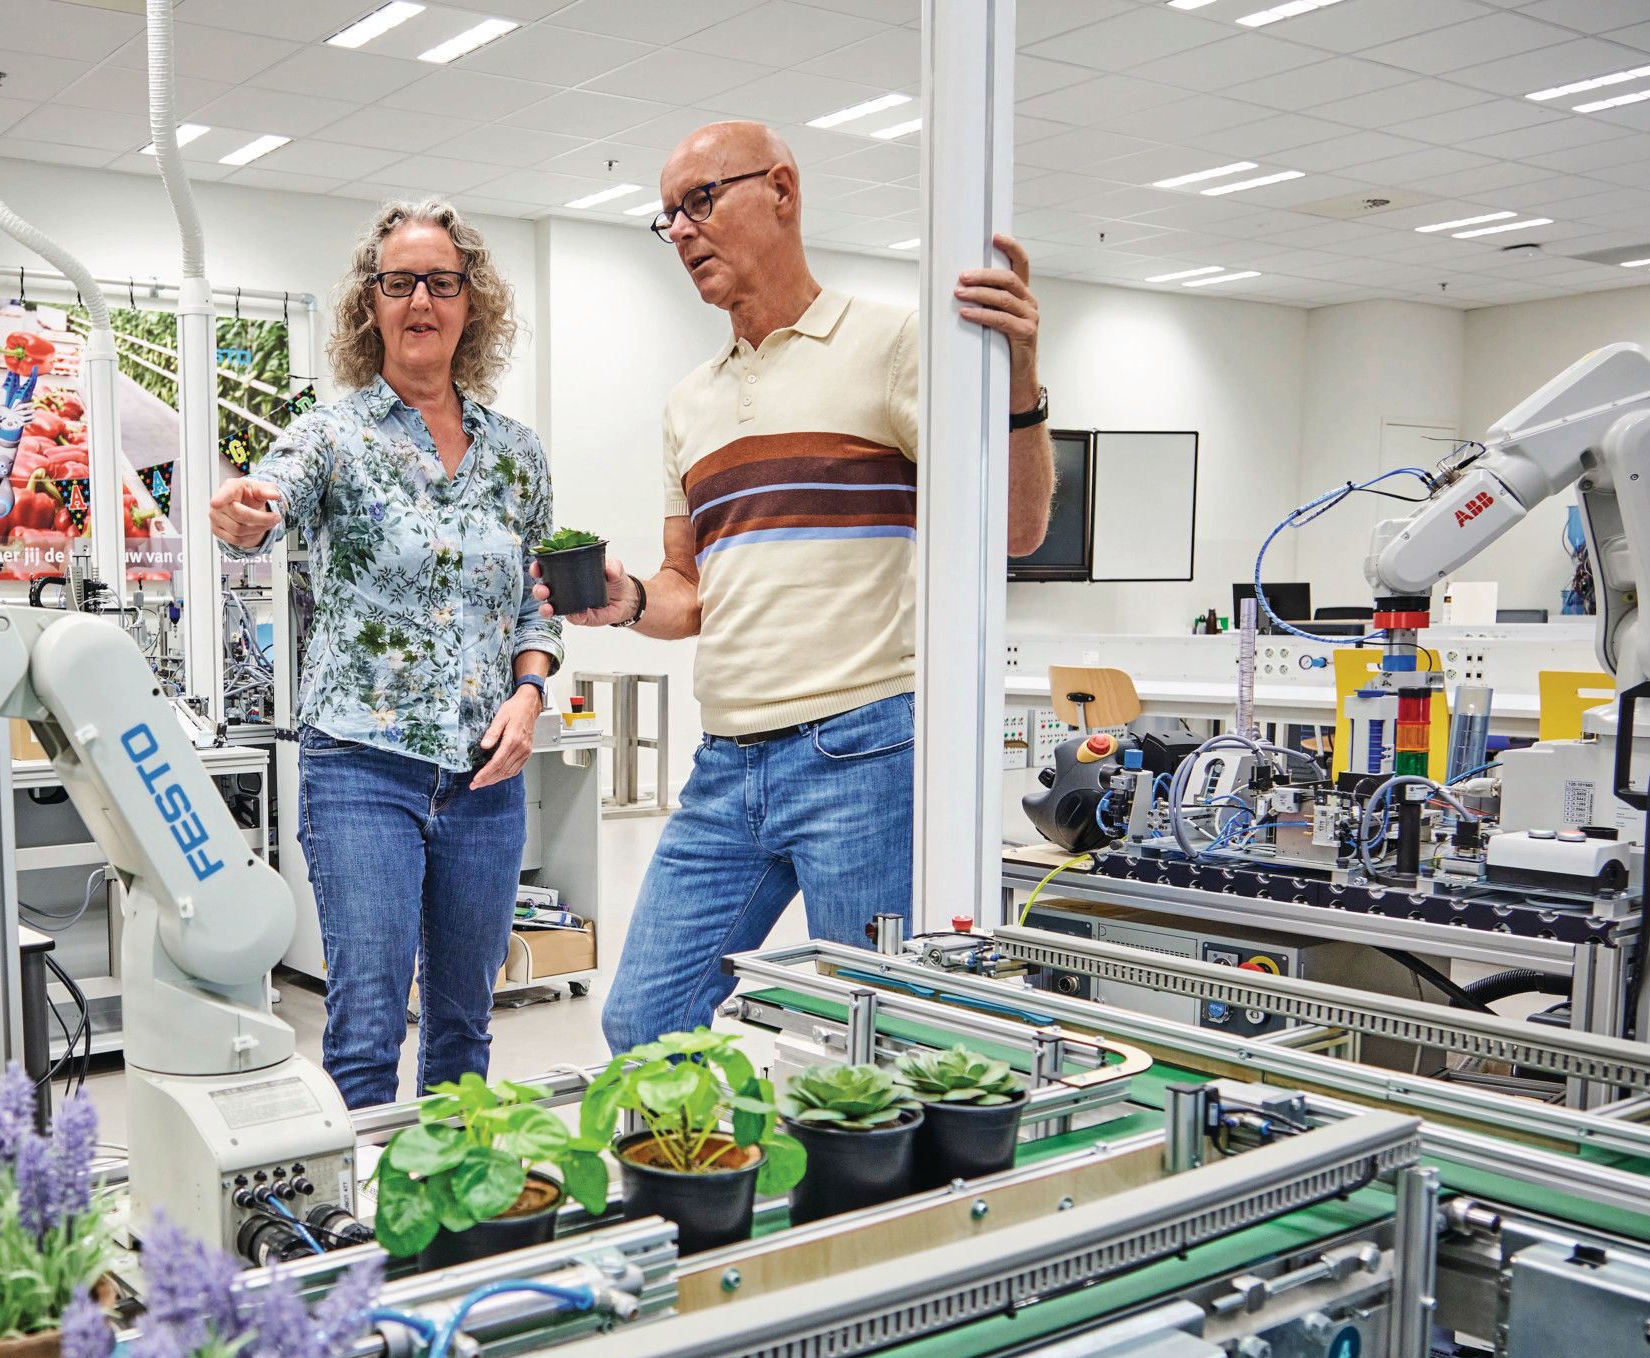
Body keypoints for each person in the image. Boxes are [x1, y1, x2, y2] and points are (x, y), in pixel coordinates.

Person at [539, 122, 1054, 1054]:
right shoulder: (689, 404)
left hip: (863, 752)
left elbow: (1015, 532)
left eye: (700, 201)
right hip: (727, 763)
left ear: (782, 189)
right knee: (643, 1017)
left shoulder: (893, 346)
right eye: (669, 218)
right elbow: (690, 590)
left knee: (877, 1037)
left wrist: (1020, 382)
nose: (684, 231)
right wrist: (623, 600)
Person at [212, 200, 558, 1110]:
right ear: (370, 304)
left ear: (469, 303)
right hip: (362, 767)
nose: (421, 301)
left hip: (486, 775)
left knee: (464, 1023)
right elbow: (268, 498)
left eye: (442, 282)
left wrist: (529, 696)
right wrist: (245, 510)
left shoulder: (518, 456)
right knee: (366, 1023)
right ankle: (360, 1244)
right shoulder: (333, 436)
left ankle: (451, 1218)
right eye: (398, 282)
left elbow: (538, 601)